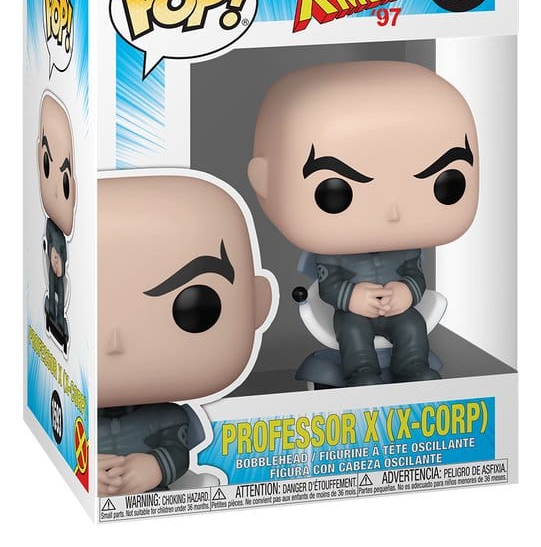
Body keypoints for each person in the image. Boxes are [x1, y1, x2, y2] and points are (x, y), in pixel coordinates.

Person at [248, 61, 479, 386]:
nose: (393, 211)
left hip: (398, 311)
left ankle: (413, 368)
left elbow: (415, 274)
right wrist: (353, 297)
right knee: (352, 332)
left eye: (447, 183)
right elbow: (329, 285)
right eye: (334, 192)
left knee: (412, 326)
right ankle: (361, 374)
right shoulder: (332, 251)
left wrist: (406, 292)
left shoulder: (406, 247)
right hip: (353, 312)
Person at [97, 172, 276, 495]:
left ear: (257, 302)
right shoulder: (71, 415)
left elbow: (177, 453)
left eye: (194, 307)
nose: (115, 342)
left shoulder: (167, 416)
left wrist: (155, 466)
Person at [38, 93, 77, 355]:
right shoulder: (51, 230)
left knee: (59, 288)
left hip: (58, 257)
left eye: (63, 183)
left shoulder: (59, 238)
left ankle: (58, 317)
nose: (54, 190)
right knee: (55, 286)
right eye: (45, 162)